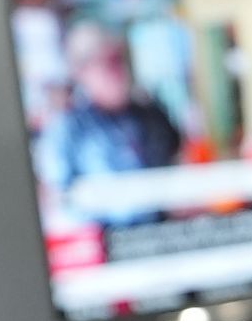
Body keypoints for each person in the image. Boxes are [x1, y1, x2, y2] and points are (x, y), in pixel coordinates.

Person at [37, 16, 181, 219]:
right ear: (82, 71)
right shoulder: (67, 130)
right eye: (107, 62)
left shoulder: (151, 114)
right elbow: (59, 202)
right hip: (107, 235)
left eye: (119, 59)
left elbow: (178, 162)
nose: (118, 70)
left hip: (163, 231)